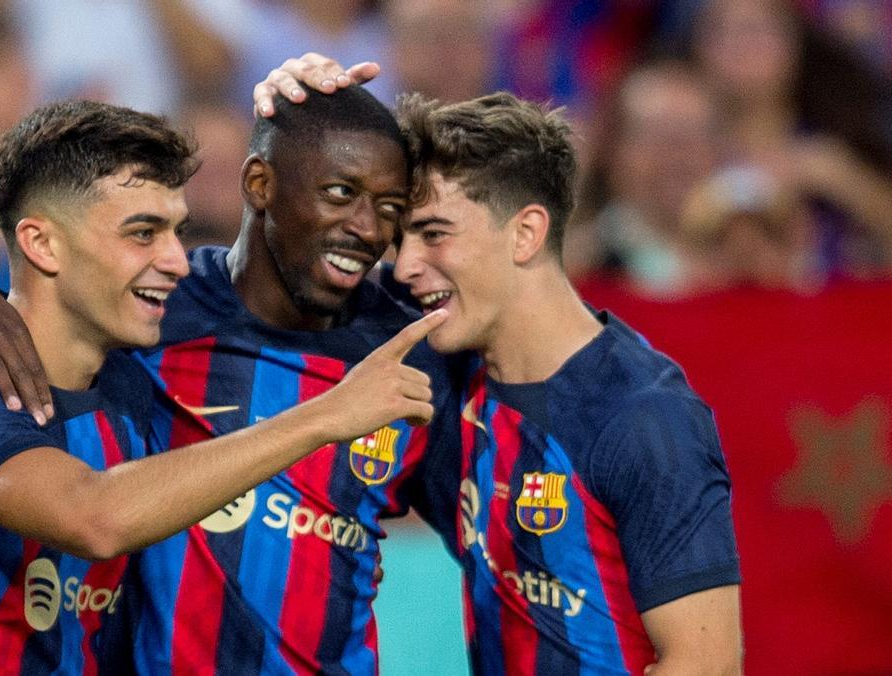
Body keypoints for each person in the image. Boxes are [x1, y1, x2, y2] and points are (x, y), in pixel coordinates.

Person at [0, 85, 456, 673]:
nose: (174, 260)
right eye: (143, 233)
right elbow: (95, 517)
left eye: (175, 232)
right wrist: (327, 415)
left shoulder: (130, 386)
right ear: (43, 244)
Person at [258, 55, 742, 672]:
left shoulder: (646, 418)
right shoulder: (443, 361)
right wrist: (293, 116)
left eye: (434, 234)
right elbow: (282, 278)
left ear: (526, 233)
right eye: (401, 237)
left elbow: (708, 663)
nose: (404, 266)